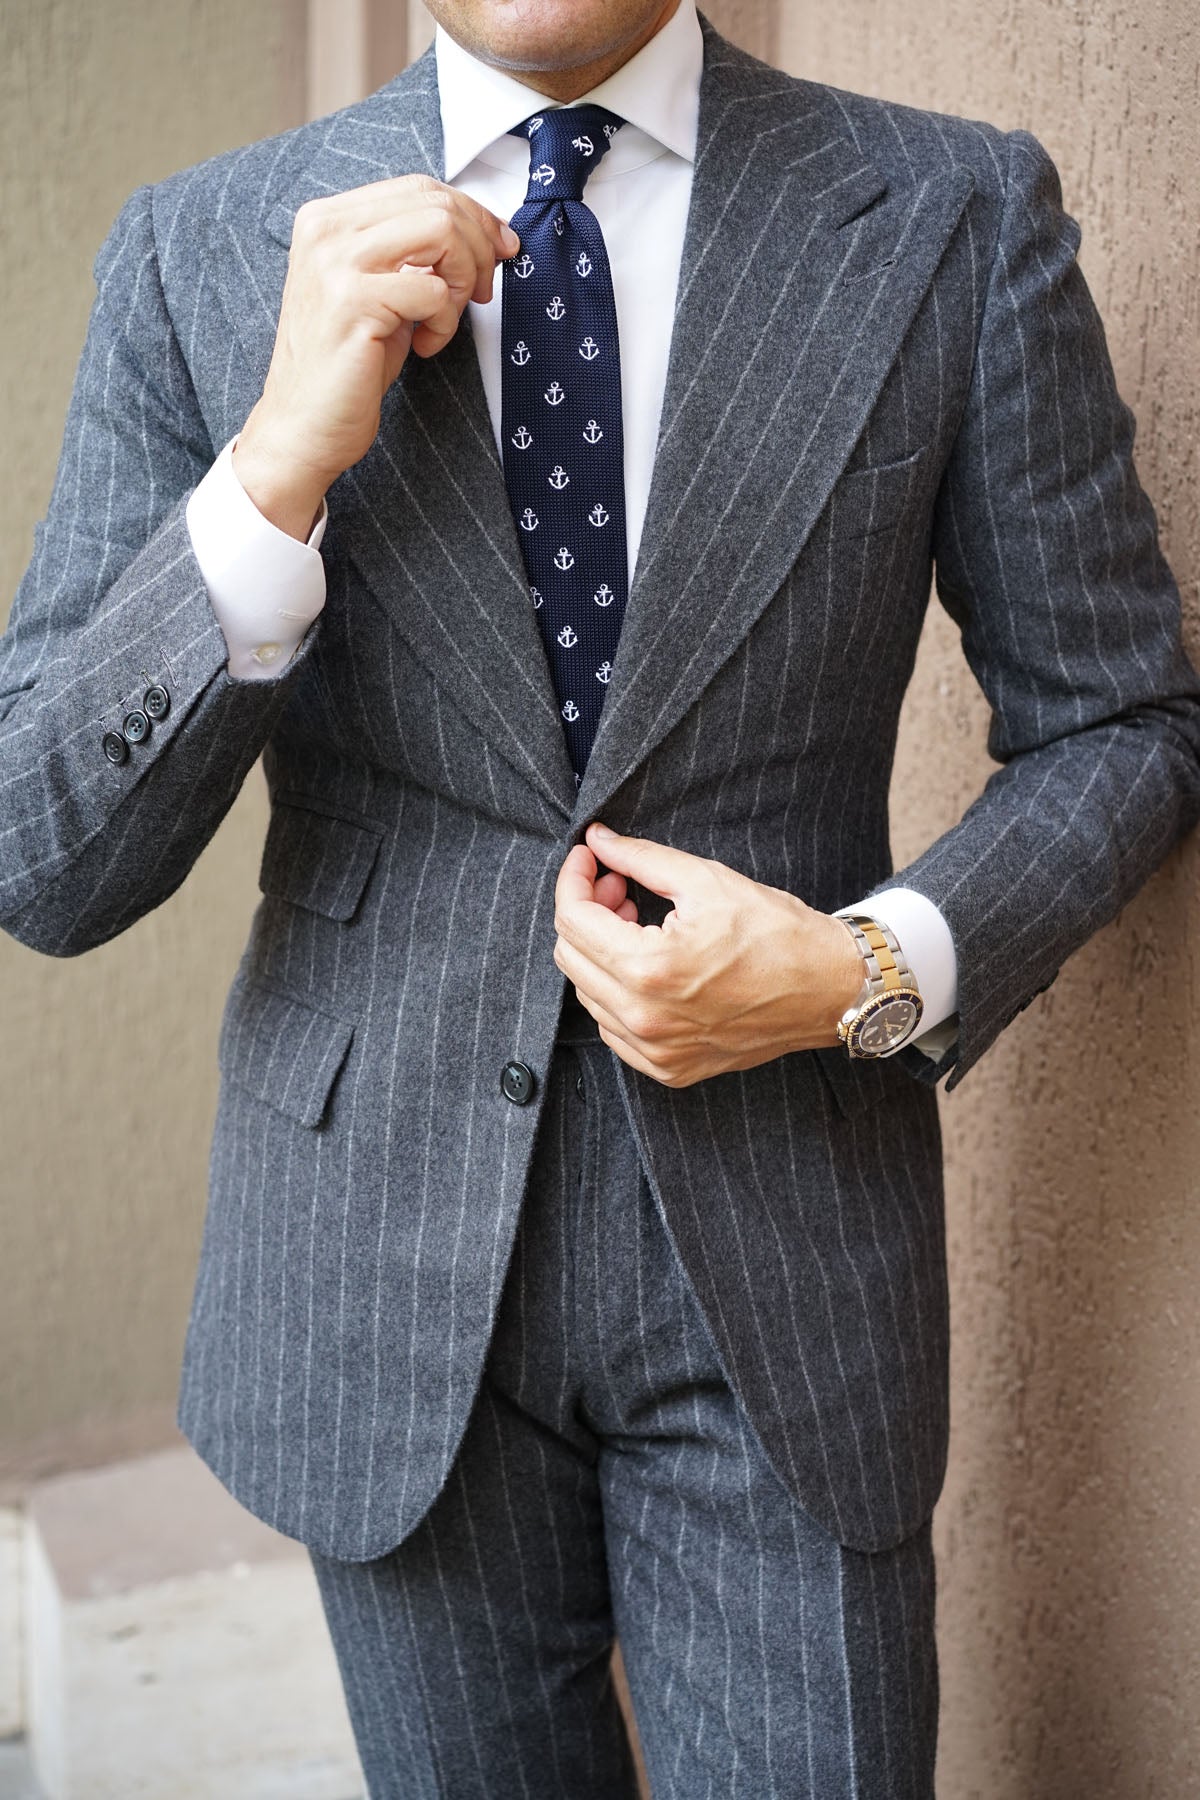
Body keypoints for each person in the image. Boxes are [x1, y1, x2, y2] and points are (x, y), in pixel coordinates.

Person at [3, 0, 1198, 1792]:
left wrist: (864, 967)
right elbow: (49, 860)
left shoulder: (951, 212)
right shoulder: (199, 250)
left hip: (788, 1262)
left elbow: (1124, 719)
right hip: (375, 1277)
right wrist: (268, 486)